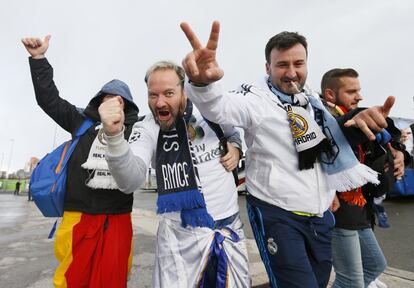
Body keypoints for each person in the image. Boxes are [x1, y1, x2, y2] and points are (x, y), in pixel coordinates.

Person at [179, 21, 397, 288]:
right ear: (267, 68)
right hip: (278, 216)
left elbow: (334, 138)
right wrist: (202, 83)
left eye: (298, 63)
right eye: (282, 65)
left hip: (320, 218)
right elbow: (219, 108)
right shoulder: (255, 101)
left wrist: (365, 126)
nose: (291, 72)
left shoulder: (314, 104)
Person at [99, 61, 250, 287]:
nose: (160, 102)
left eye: (169, 93)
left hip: (229, 228)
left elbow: (232, 130)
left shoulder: (209, 109)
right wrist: (114, 137)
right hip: (180, 238)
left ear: (184, 90)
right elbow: (129, 181)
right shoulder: (146, 128)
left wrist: (236, 147)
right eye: (153, 95)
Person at [22, 35, 140, 288]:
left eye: (118, 99)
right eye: (106, 98)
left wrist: (231, 141)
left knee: (113, 280)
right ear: (98, 102)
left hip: (118, 217)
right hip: (78, 215)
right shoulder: (82, 122)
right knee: (70, 280)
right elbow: (49, 100)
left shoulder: (138, 131)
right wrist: (38, 59)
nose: (112, 102)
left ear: (127, 105)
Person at [320, 68, 406, 288]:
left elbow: (390, 135)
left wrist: (398, 152)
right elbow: (341, 130)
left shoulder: (362, 118)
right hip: (340, 213)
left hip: (362, 209)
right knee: (351, 281)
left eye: (359, 90)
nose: (359, 96)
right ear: (330, 95)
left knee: (375, 265)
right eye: (351, 91)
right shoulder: (322, 120)